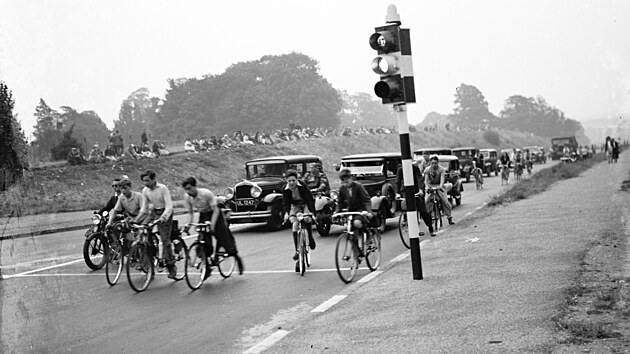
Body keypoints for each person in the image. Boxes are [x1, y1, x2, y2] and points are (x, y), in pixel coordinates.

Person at [182, 177, 244, 276]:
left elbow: (215, 210)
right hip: (203, 215)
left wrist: (212, 225)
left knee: (225, 238)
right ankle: (206, 266)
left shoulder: (206, 194)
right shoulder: (187, 197)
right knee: (203, 240)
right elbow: (190, 213)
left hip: (215, 215)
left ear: (195, 186)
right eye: (186, 189)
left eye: (189, 188)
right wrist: (188, 224)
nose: (188, 191)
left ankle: (236, 257)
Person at [134, 170, 177, 279]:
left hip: (165, 213)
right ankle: (149, 261)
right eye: (144, 181)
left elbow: (169, 205)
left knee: (165, 240)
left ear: (154, 179)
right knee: (143, 231)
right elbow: (144, 208)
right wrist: (136, 221)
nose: (145, 183)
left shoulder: (162, 188)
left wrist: (164, 217)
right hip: (154, 212)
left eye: (147, 180)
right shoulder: (145, 190)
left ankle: (171, 265)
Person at [282, 170, 317, 269]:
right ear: (287, 181)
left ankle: (310, 238)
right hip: (295, 206)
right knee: (295, 225)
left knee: (306, 219)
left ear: (297, 180)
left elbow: (309, 199)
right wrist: (286, 213)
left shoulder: (303, 185)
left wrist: (312, 212)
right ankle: (297, 251)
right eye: (289, 181)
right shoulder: (285, 189)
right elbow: (286, 202)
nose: (291, 183)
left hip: (305, 203)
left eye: (293, 180)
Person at [335, 169, 374, 255]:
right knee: (350, 229)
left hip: (361, 209)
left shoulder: (358, 186)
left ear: (351, 178)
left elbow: (366, 199)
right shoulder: (342, 188)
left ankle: (368, 233)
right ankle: (356, 250)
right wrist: (336, 212)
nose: (345, 181)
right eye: (342, 180)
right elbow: (340, 202)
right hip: (351, 210)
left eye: (347, 179)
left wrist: (369, 211)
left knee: (357, 223)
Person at [395, 160, 435, 236]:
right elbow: (398, 181)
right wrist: (397, 193)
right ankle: (411, 225)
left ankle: (430, 228)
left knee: (422, 210)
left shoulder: (414, 168)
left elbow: (419, 178)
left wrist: (420, 189)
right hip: (405, 191)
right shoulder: (400, 169)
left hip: (416, 190)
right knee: (407, 208)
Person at [423, 155, 454, 225]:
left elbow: (442, 178)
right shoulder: (427, 170)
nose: (434, 165)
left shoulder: (441, 169)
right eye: (432, 163)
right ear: (430, 163)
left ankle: (449, 217)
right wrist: (427, 187)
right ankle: (427, 215)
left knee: (444, 201)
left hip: (439, 186)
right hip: (430, 186)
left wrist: (440, 186)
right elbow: (426, 180)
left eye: (435, 163)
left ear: (438, 163)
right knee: (426, 201)